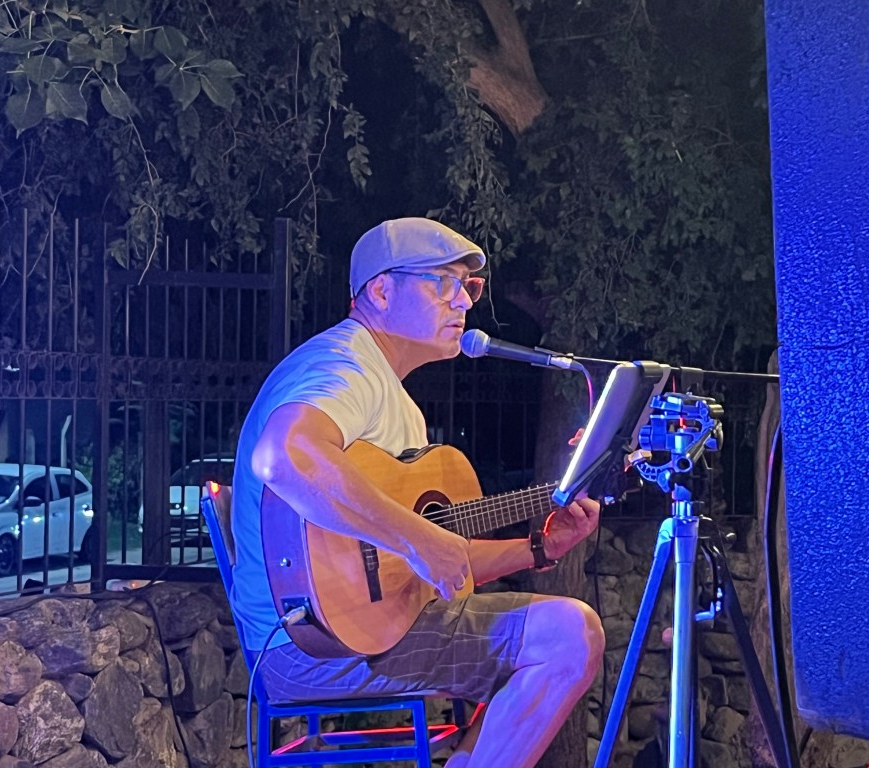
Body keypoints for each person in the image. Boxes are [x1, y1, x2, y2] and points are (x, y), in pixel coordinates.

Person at [230, 217, 605, 767]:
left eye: (469, 286)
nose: (464, 302)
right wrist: (416, 539)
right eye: (443, 283)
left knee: (553, 641)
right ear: (382, 291)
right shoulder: (344, 364)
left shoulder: (396, 403)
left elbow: (435, 565)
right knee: (569, 636)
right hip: (309, 646)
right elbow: (283, 455)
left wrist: (538, 548)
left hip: (352, 635)